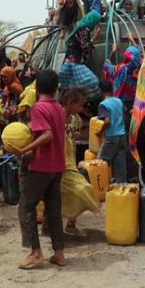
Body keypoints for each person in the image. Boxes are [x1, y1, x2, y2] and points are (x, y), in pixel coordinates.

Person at [5, 70, 66, 269]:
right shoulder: (59, 108)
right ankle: (59, 253)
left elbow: (47, 135)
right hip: (57, 166)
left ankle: (36, 253)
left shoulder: (38, 107)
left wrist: (24, 148)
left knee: (26, 206)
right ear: (56, 88)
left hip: (41, 166)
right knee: (53, 210)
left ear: (37, 87)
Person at [58, 87, 99, 236]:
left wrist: (74, 135)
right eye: (79, 105)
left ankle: (70, 223)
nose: (81, 108)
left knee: (69, 194)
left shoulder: (75, 119)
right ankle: (52, 224)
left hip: (70, 161)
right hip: (58, 162)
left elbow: (76, 133)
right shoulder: (56, 117)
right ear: (69, 103)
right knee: (81, 189)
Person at [96, 80, 127, 183]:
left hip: (111, 136)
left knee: (101, 162)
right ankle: (121, 186)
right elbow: (125, 114)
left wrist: (100, 132)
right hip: (122, 135)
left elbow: (107, 121)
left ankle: (101, 186)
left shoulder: (103, 104)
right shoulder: (118, 101)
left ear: (100, 91)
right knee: (120, 162)